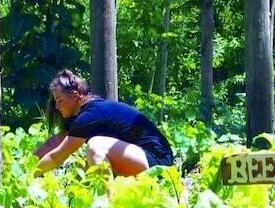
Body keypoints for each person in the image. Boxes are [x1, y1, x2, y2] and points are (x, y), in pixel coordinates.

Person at [34, 68, 174, 176]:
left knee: (96, 146)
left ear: (75, 96)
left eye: (59, 100)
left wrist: (29, 175)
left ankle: (104, 204)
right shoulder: (93, 111)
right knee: (86, 162)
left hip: (157, 163)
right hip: (148, 159)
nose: (56, 107)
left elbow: (56, 156)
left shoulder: (88, 117)